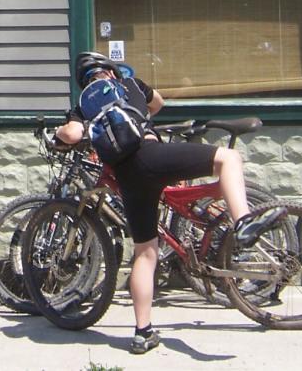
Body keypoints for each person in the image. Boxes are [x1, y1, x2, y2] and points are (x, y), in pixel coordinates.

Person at [54, 51, 284, 355]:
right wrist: (141, 119)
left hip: (128, 178)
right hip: (152, 156)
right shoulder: (129, 83)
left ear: (82, 80)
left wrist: (58, 132)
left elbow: (72, 134)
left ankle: (143, 332)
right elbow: (158, 103)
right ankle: (242, 223)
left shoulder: (84, 105)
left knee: (145, 254)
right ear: (110, 71)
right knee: (229, 158)